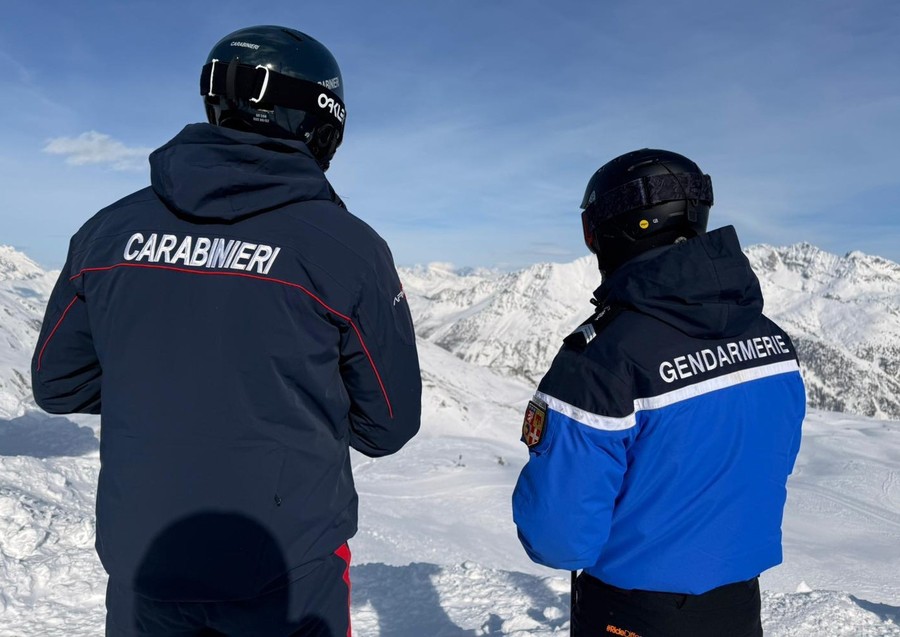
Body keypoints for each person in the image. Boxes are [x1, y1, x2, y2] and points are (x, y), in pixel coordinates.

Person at [31, 25, 421, 636]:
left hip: (146, 571)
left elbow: (58, 384)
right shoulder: (348, 250)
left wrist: (162, 391)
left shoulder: (107, 232)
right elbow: (388, 424)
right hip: (287, 573)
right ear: (321, 128)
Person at [512, 149, 805, 637]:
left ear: (611, 232)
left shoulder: (603, 359)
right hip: (738, 607)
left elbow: (559, 538)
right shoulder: (773, 340)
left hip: (633, 613)